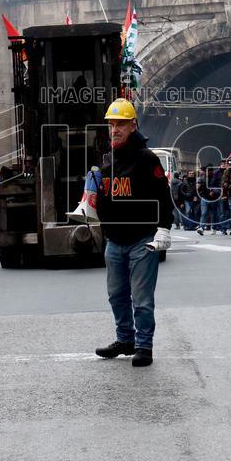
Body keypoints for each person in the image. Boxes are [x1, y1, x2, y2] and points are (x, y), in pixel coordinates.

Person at [92, 98, 173, 367]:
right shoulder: (108, 161)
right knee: (116, 295)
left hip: (142, 240)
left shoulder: (146, 159)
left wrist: (164, 228)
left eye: (120, 125)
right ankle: (125, 339)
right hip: (115, 241)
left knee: (141, 299)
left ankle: (144, 347)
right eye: (111, 125)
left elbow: (163, 196)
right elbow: (105, 197)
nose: (114, 130)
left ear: (133, 125)